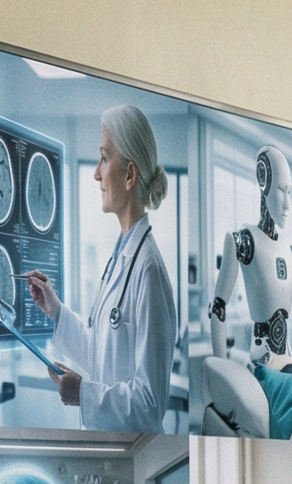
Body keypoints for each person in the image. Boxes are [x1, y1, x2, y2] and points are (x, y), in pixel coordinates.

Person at [24, 104, 178, 433]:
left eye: (104, 158)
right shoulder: (121, 255)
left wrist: (85, 394)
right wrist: (56, 311)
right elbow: (104, 354)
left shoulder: (148, 270)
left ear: (129, 174)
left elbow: (150, 405)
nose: (96, 173)